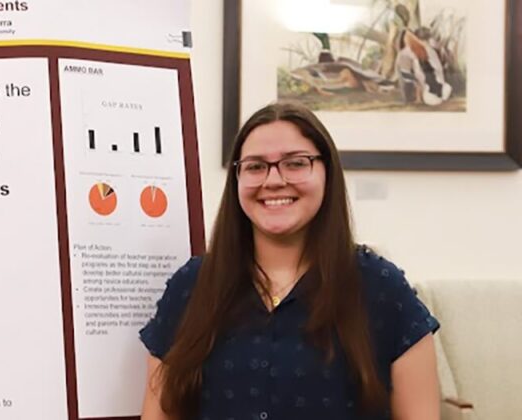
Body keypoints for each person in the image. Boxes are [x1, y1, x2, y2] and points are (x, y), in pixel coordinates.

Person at [139, 102, 440, 420]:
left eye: (295, 163)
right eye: (255, 166)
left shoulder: (382, 289)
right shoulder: (191, 287)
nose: (273, 180)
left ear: (327, 172)